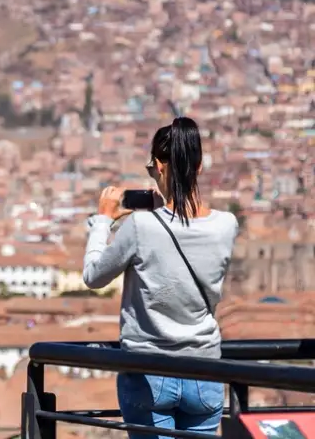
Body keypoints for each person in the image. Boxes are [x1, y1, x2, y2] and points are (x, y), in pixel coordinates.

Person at [83, 116, 239, 439]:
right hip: (206, 372)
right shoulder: (227, 225)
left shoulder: (141, 227)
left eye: (151, 170)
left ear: (158, 166)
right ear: (198, 167)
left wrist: (102, 222)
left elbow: (93, 276)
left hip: (149, 375)